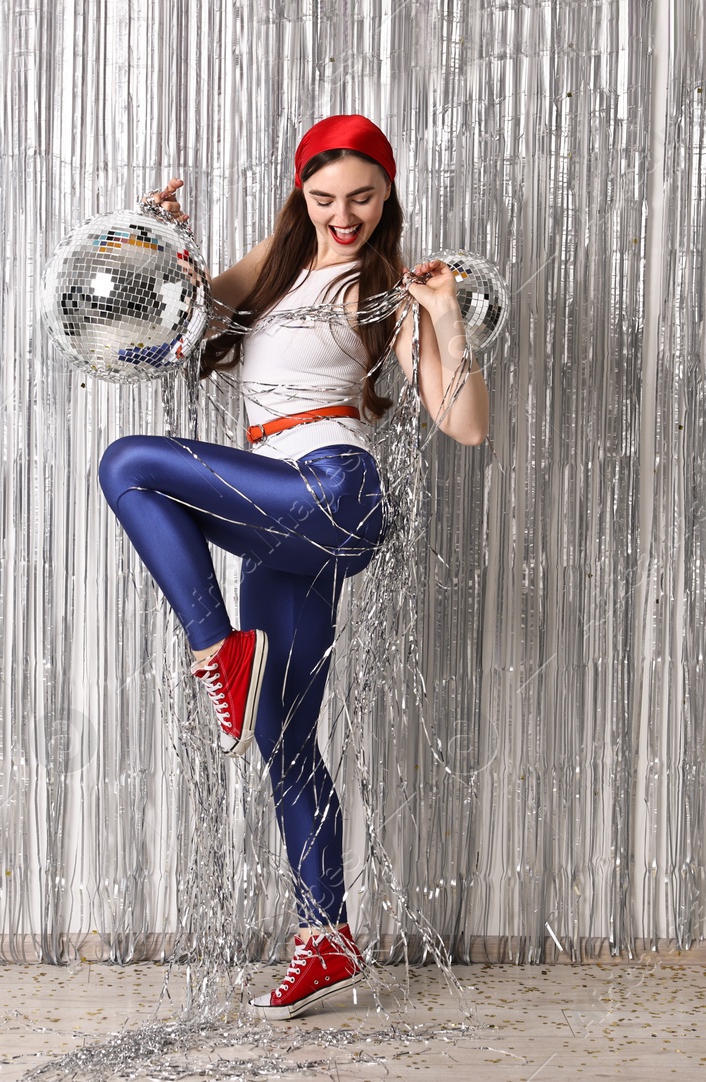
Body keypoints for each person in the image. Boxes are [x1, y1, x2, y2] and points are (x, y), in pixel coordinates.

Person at [97, 115, 488, 1020]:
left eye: (361, 197)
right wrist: (155, 239)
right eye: (323, 199)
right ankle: (329, 938)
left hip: (332, 488)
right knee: (283, 738)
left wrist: (446, 323)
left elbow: (463, 425)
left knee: (130, 465)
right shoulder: (272, 266)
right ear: (299, 195)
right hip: (281, 518)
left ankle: (215, 647)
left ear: (387, 193)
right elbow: (170, 319)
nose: (342, 215)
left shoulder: (386, 286)